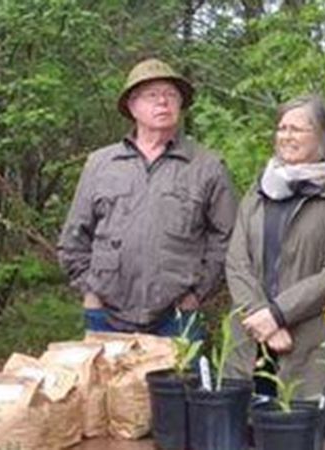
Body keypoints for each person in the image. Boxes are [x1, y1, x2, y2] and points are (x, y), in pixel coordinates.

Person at [57, 58, 237, 338]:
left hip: (177, 317)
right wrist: (90, 290)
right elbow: (74, 237)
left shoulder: (207, 166)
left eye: (171, 95)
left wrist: (197, 294)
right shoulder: (101, 163)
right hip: (105, 313)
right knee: (108, 385)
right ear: (132, 106)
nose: (163, 102)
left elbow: (227, 239)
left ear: (181, 105)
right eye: (152, 95)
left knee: (180, 384)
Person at [223, 94, 325, 399]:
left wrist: (278, 314)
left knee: (298, 430)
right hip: (249, 335)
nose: (286, 136)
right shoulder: (258, 190)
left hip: (306, 340)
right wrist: (262, 315)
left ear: (323, 136)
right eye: (282, 128)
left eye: (297, 129)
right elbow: (236, 261)